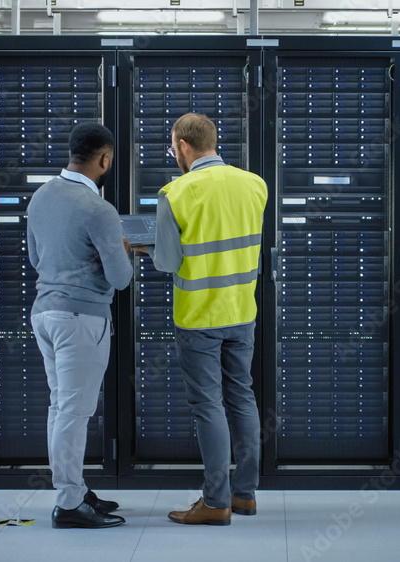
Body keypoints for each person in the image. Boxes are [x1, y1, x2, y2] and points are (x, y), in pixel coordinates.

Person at [144, 112, 267, 526]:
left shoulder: (175, 192)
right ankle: (244, 495)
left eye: (172, 147)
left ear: (181, 145)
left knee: (208, 406)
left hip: (199, 316)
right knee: (242, 398)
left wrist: (144, 246)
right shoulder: (254, 185)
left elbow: (166, 260)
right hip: (241, 311)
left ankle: (215, 502)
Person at [27, 122, 133, 529]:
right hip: (81, 318)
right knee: (74, 410)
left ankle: (75, 488)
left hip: (45, 314)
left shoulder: (40, 197)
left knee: (61, 406)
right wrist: (121, 249)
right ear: (104, 158)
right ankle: (69, 503)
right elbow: (121, 278)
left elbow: (37, 260)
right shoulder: (98, 209)